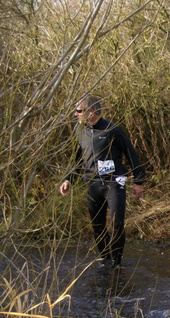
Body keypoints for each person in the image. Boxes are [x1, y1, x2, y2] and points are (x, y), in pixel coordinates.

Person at [59, 94, 145, 269]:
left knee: (116, 223)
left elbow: (131, 155)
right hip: (92, 183)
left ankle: (116, 262)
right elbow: (76, 159)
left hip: (114, 182)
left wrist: (139, 181)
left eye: (79, 111)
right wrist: (68, 179)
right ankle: (105, 259)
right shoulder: (79, 130)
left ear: (91, 112)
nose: (75, 114)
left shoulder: (112, 130)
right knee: (97, 226)